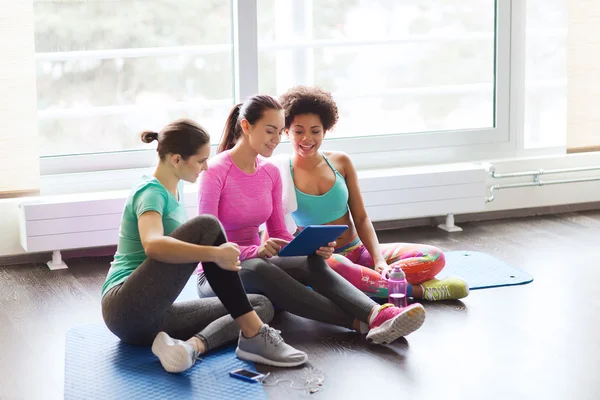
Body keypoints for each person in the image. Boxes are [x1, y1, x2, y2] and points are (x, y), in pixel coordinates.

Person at [196, 94, 426, 346]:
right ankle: (361, 323)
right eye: (270, 131)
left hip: (258, 262)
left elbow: (279, 233)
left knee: (311, 261)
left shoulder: (270, 171)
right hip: (218, 273)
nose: (276, 140)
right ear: (246, 126)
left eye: (279, 133)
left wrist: (310, 248)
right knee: (261, 267)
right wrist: (255, 250)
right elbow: (207, 244)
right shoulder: (215, 171)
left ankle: (377, 313)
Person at [101, 118, 307, 374]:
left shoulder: (173, 191)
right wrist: (214, 253)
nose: (206, 166)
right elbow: (153, 245)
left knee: (259, 305)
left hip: (151, 318)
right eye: (200, 160)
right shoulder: (150, 192)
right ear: (176, 159)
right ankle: (255, 335)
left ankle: (189, 349)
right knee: (208, 225)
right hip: (125, 307)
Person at [273, 85, 469, 301]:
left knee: (434, 256)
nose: (307, 139)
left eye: (315, 131)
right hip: (325, 261)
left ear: (325, 130)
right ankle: (421, 291)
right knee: (337, 269)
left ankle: (369, 283)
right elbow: (279, 230)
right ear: (286, 131)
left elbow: (361, 217)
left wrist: (378, 260)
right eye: (298, 131)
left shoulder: (341, 161)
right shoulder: (280, 172)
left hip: (359, 250)